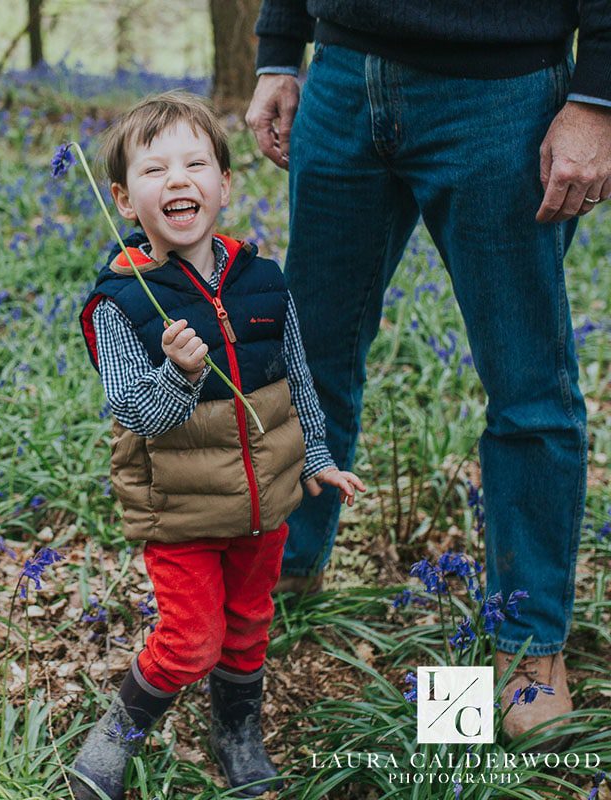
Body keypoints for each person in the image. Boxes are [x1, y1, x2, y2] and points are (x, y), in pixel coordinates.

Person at [245, 0, 611, 747]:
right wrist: (280, 49)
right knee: (308, 355)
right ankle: (285, 570)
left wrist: (598, 95)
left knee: (527, 388)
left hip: (500, 94)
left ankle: (530, 644)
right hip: (342, 79)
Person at [70, 90, 365, 799]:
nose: (178, 179)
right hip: (181, 510)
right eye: (155, 170)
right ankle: (116, 734)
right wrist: (178, 372)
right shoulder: (119, 303)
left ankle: (236, 731)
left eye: (196, 163)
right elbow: (133, 410)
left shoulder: (264, 280)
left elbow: (298, 373)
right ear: (123, 199)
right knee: (190, 639)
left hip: (263, 502)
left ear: (224, 185)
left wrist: (317, 455)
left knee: (248, 624)